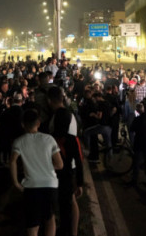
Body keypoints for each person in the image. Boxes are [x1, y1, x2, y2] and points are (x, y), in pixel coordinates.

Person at [10, 109, 63, 236]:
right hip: (50, 185)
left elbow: (12, 162)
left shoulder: (18, 141)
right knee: (49, 219)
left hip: (31, 186)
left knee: (32, 224)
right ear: (38, 123)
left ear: (23, 124)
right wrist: (47, 166)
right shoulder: (49, 139)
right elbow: (60, 164)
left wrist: (16, 183)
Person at [49, 86, 84, 236]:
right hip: (67, 163)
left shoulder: (62, 115)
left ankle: (70, 231)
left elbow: (60, 141)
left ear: (49, 100)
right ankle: (71, 230)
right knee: (69, 200)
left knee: (68, 201)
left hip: (65, 164)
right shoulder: (66, 114)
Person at [129, 102, 146, 188]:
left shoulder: (137, 119)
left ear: (137, 111)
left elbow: (131, 129)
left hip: (139, 142)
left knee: (136, 162)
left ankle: (134, 180)